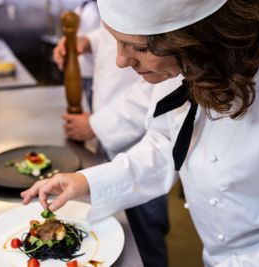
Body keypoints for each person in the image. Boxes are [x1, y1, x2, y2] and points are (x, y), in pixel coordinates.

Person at [22, 0, 259, 265]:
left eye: (139, 48)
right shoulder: (185, 59)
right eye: (116, 42)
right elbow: (166, 144)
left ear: (195, 37)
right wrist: (88, 182)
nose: (120, 61)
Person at [54, 25, 171, 267]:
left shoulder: (169, 68)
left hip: (136, 133)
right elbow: (118, 31)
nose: (121, 60)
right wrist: (91, 41)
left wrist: (100, 125)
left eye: (137, 48)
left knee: (147, 235)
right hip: (125, 140)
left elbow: (157, 83)